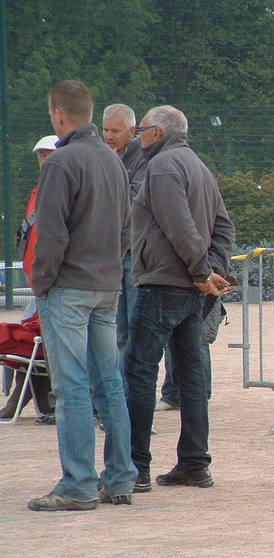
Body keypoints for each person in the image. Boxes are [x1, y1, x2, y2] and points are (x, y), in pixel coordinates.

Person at [27, 80, 137, 511]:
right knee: (110, 383)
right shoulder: (114, 162)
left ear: (58, 114)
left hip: (68, 287)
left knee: (71, 387)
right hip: (107, 285)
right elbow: (127, 230)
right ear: (91, 114)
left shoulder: (60, 163)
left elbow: (50, 234)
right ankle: (121, 477)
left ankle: (78, 483)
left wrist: (42, 282)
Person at [124, 105, 235, 493]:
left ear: (156, 132)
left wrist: (203, 271)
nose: (136, 136)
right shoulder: (198, 166)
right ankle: (194, 463)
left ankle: (134, 468)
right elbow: (223, 225)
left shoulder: (162, 167)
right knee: (190, 376)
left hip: (164, 286)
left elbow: (178, 225)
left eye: (141, 130)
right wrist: (210, 272)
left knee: (138, 372)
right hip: (191, 289)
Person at [0, 135, 59, 423]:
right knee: (30, 339)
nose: (44, 160)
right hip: (38, 280)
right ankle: (28, 402)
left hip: (54, 283)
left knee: (32, 338)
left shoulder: (61, 189)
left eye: (49, 155)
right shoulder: (38, 191)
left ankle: (25, 403)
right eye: (41, 156)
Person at [102, 104, 147, 369]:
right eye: (105, 129)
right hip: (111, 254)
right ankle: (119, 393)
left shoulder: (144, 157)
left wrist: (111, 167)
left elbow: (134, 201)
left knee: (135, 328)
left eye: (115, 131)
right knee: (118, 331)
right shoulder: (103, 154)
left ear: (132, 130)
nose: (109, 136)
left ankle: (134, 393)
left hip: (135, 254)